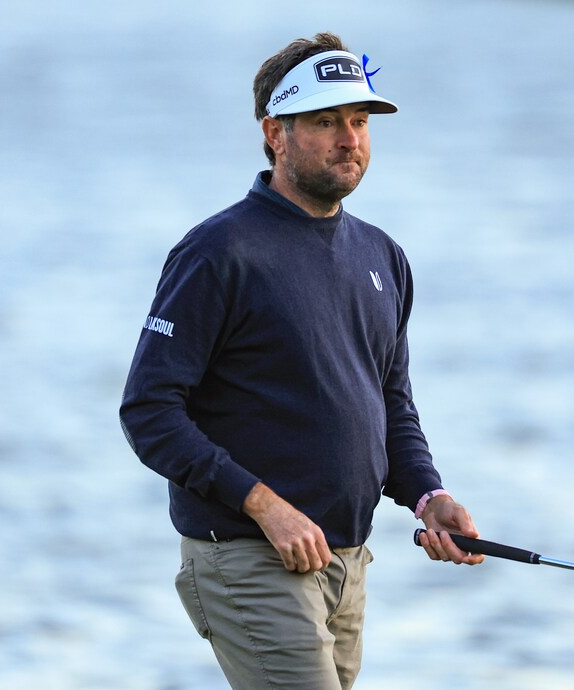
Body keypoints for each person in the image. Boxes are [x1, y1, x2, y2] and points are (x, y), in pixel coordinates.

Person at [119, 32, 483, 690]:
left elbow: (389, 405)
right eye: (325, 122)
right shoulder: (219, 252)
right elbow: (148, 412)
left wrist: (429, 495)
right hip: (249, 555)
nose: (350, 138)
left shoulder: (383, 257)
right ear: (274, 132)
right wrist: (264, 505)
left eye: (360, 121)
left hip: (347, 565)